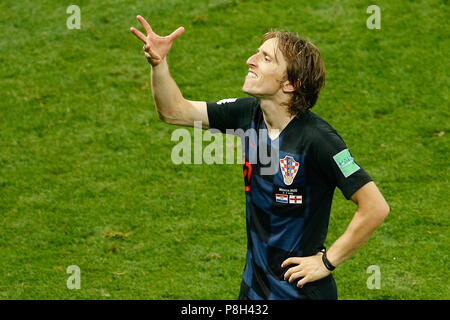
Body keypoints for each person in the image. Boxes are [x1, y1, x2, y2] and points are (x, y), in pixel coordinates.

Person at [130, 15, 390, 300]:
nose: (250, 60)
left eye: (265, 58)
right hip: (254, 290)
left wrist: (327, 262)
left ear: (290, 83)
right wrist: (158, 64)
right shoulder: (247, 115)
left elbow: (375, 207)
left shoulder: (319, 140)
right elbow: (173, 111)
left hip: (299, 294)